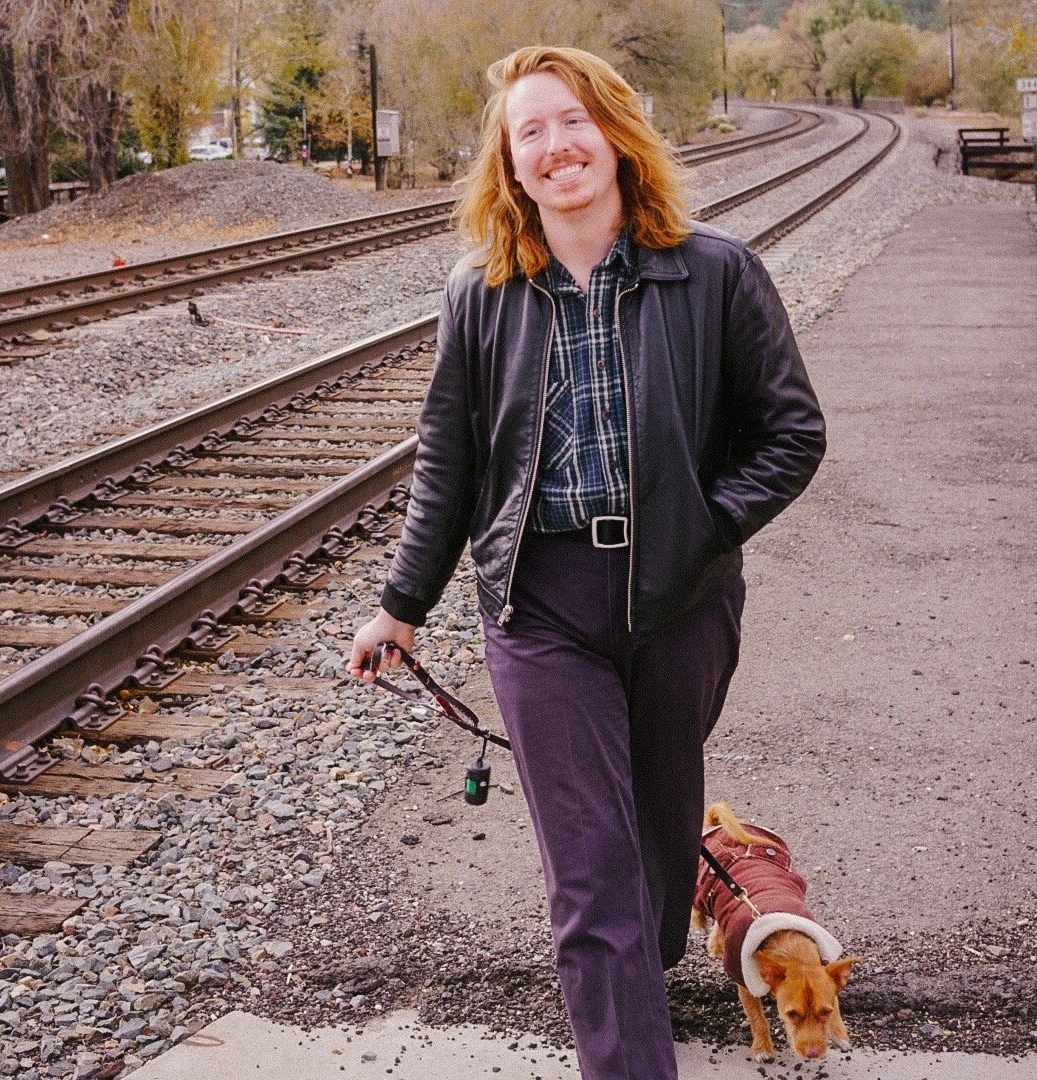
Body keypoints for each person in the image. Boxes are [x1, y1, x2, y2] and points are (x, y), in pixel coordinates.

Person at [349, 46, 826, 1080]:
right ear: (510, 165)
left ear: (614, 135)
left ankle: (643, 966)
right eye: (531, 131)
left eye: (572, 122)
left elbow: (792, 436)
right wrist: (402, 604)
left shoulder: (717, 273)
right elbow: (449, 461)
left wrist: (705, 524)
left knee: (657, 836)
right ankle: (626, 1053)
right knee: (591, 865)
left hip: (681, 599)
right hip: (540, 605)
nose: (556, 146)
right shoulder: (479, 295)